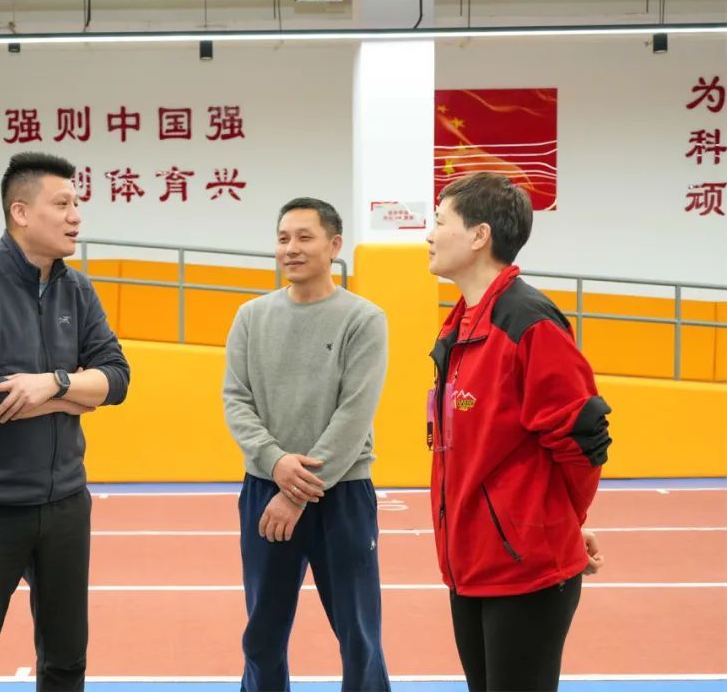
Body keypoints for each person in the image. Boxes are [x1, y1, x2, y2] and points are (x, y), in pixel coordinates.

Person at [0, 151, 130, 692]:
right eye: (62, 204)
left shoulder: (77, 289)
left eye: (77, 204)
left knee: (66, 663)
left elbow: (117, 378)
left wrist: (53, 385)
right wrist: (78, 395)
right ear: (20, 212)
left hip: (65, 502)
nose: (76, 217)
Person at [425, 172, 610, 692]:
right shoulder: (460, 325)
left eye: (439, 221)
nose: (429, 235)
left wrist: (559, 524)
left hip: (524, 571)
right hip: (470, 565)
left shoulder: (528, 322)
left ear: (479, 235)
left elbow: (583, 442)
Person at [223, 197, 391, 692]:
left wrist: (297, 491)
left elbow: (354, 414)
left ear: (334, 245)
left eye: (304, 237)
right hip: (265, 490)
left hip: (341, 494)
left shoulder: (364, 319)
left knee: (359, 636)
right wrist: (276, 464)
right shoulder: (251, 317)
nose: (290, 248)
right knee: (262, 635)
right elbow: (236, 400)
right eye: (283, 239)